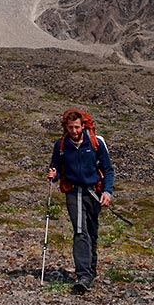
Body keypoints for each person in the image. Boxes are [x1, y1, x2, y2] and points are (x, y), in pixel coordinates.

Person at [47, 108, 114, 294]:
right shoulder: (60, 145)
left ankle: (90, 271)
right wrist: (54, 174)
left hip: (93, 192)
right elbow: (57, 167)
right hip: (73, 192)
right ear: (66, 127)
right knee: (79, 230)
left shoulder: (96, 142)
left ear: (83, 126)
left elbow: (108, 169)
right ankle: (83, 275)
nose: (74, 131)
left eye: (77, 127)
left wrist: (107, 192)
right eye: (71, 127)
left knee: (92, 231)